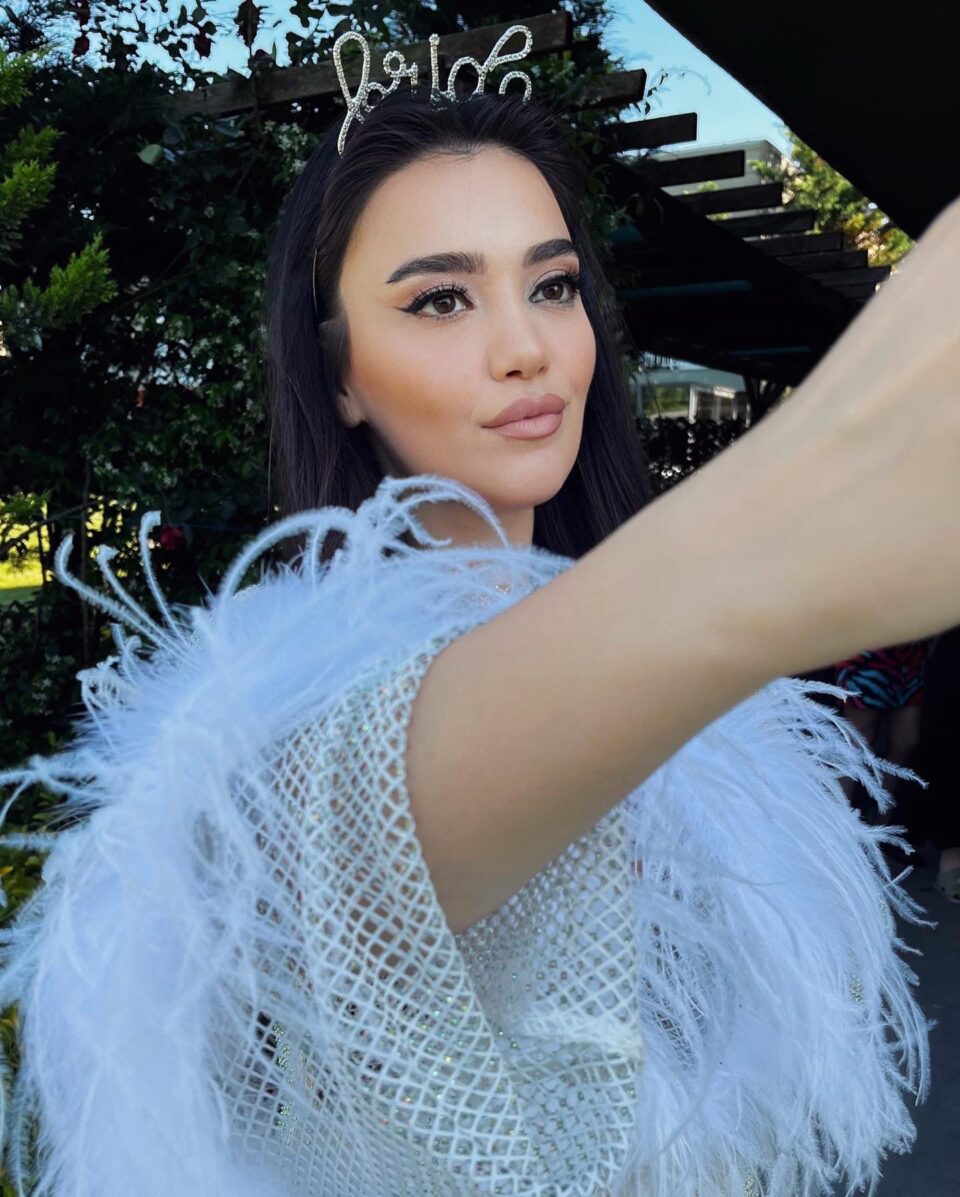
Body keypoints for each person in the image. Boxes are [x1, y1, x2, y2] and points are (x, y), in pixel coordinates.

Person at [1, 23, 959, 1197]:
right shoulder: (290, 719)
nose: (525, 347)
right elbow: (360, 828)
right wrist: (799, 512)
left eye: (552, 286)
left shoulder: (693, 696)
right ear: (340, 376)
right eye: (441, 300)